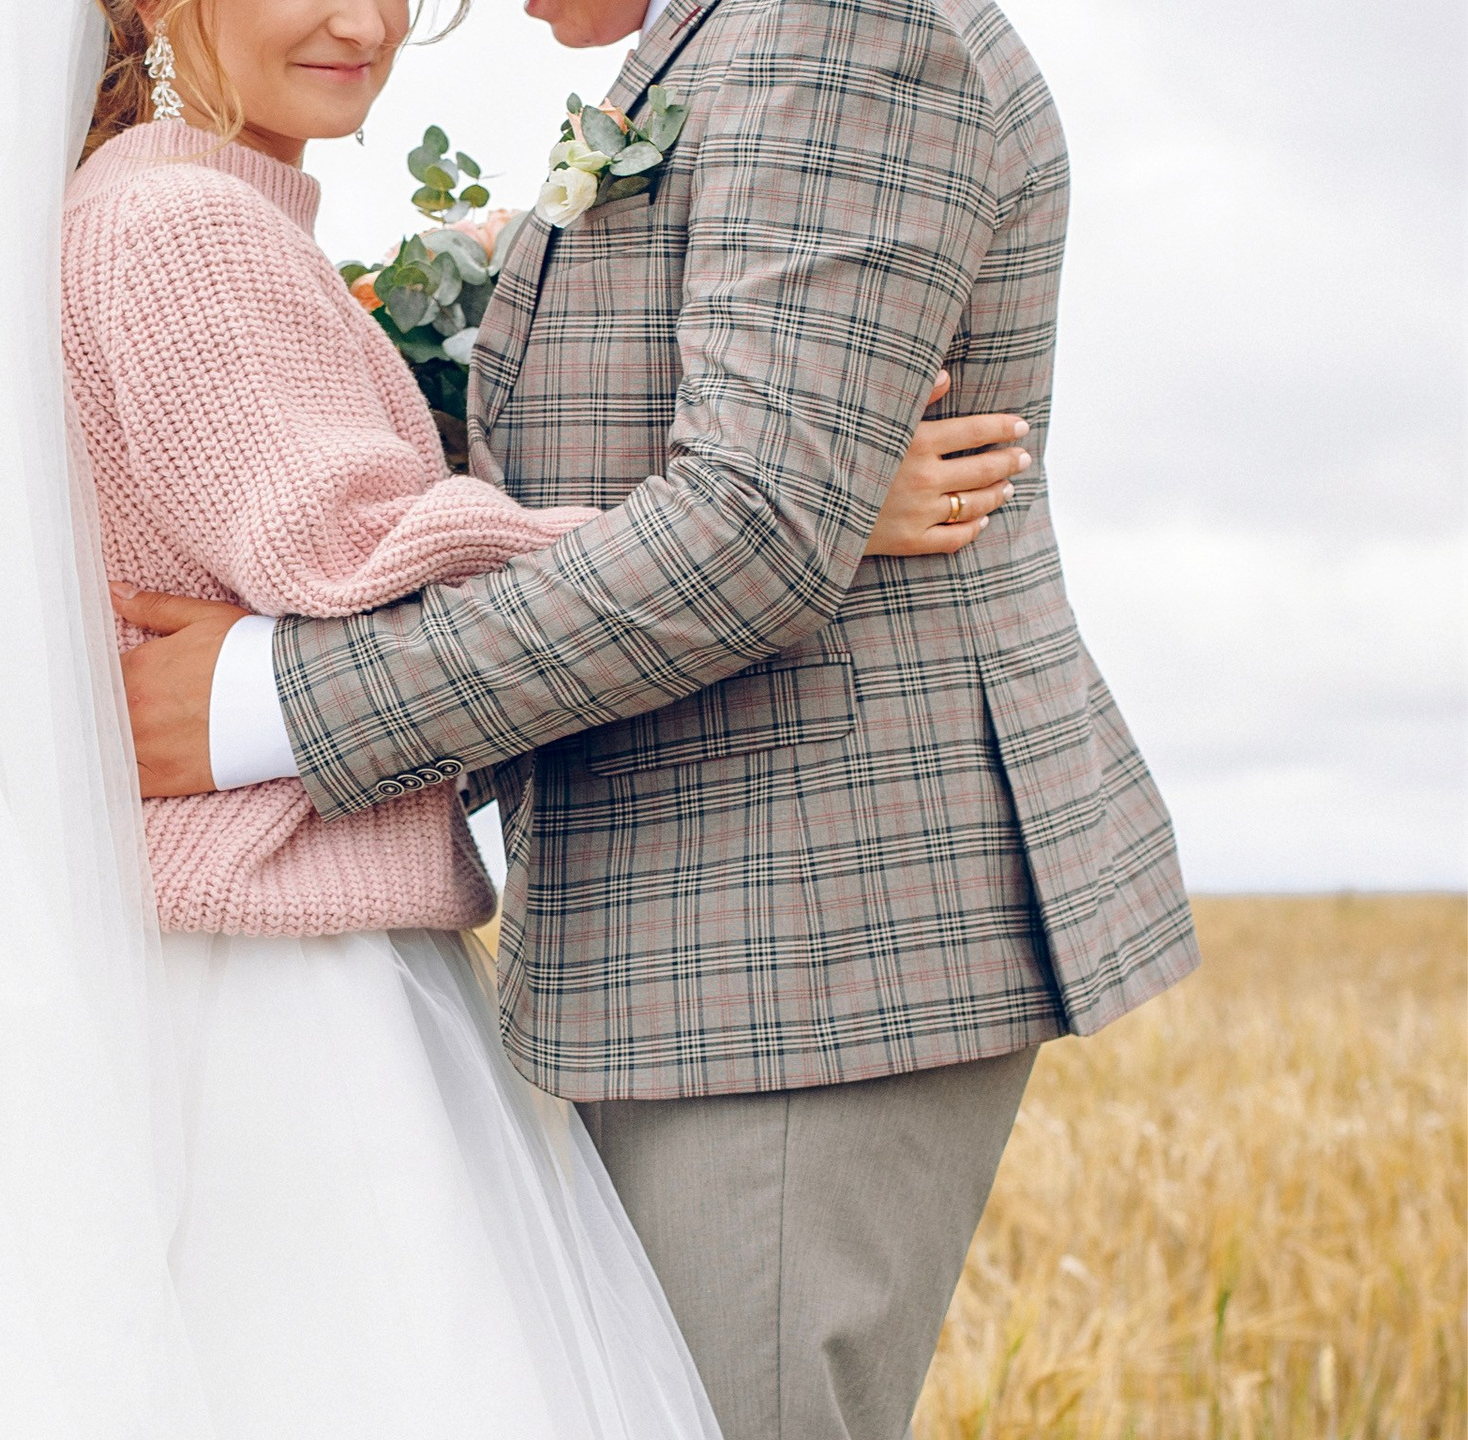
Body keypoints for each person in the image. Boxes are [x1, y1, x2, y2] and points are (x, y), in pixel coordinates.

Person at [0, 1, 1036, 1436]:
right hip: (283, 1011)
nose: (365, 20)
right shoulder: (183, 230)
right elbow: (368, 566)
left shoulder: (160, 210)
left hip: (217, 971)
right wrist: (794, 519)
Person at [111, 0, 1203, 1435]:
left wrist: (282, 702)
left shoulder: (834, 31)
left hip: (801, 939)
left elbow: (753, 530)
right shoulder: (711, 49)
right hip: (686, 941)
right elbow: (706, 482)